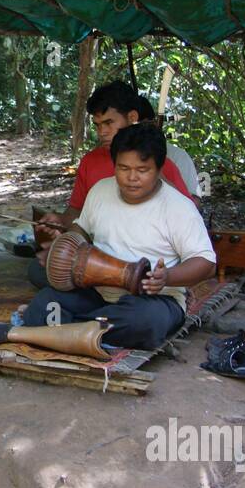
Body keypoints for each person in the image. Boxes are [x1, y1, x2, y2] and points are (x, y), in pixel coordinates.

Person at [22, 122, 216, 350]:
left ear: (160, 168)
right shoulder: (100, 191)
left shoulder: (179, 207)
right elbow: (80, 232)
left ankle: (67, 331)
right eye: (123, 168)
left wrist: (167, 277)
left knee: (146, 322)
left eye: (142, 170)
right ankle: (89, 331)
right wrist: (62, 246)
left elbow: (206, 263)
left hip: (153, 299)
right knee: (46, 301)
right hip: (96, 291)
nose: (132, 177)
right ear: (114, 165)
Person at [29, 80, 196, 288]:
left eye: (109, 123)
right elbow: (76, 211)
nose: (102, 132)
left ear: (132, 118)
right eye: (98, 125)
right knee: (42, 271)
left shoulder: (161, 164)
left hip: (145, 264)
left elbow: (190, 213)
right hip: (93, 259)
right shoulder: (90, 161)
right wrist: (62, 226)